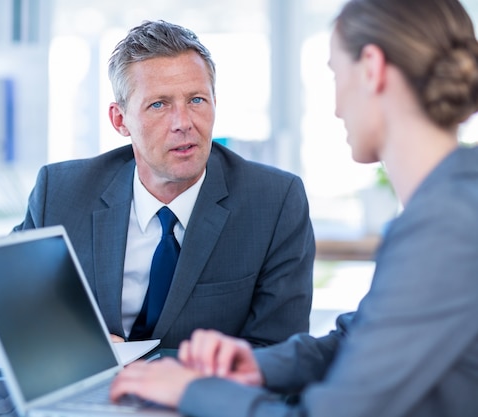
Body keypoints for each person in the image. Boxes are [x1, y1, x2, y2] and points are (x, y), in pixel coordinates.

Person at [109, 0, 478, 416]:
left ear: (372, 69)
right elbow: (367, 332)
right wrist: (259, 365)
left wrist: (194, 390)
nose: (337, 108)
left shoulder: (446, 228)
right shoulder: (452, 205)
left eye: (337, 76)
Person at [0, 20, 315, 351]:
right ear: (119, 119)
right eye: (159, 105)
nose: (183, 123)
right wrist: (39, 340)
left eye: (197, 100)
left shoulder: (274, 201)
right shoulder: (61, 192)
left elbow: (278, 350)